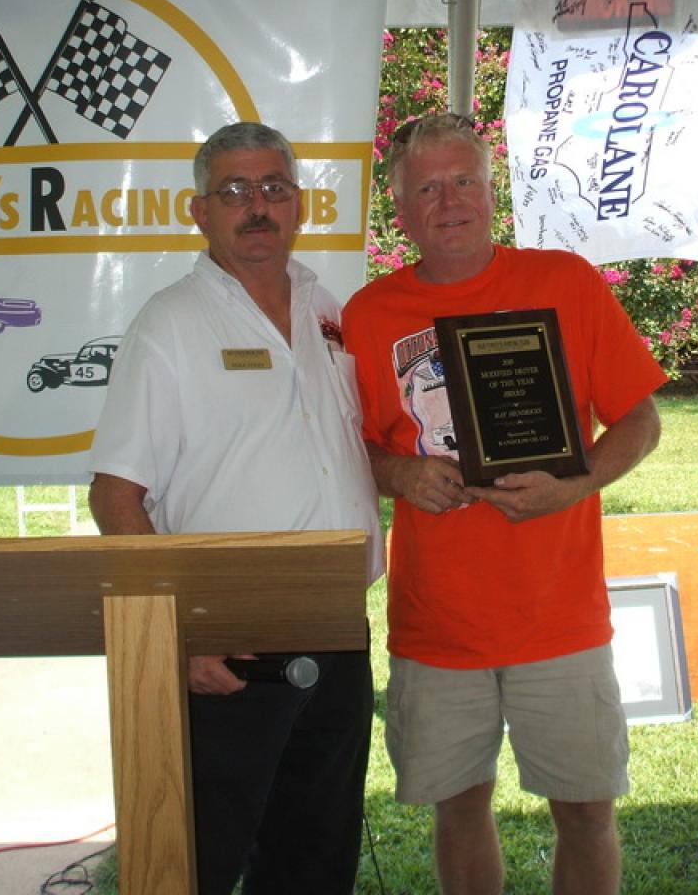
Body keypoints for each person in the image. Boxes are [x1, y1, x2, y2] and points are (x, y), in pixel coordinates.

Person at [341, 113, 666, 895]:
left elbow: (642, 421)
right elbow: (353, 448)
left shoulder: (565, 284)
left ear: (493, 193)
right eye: (427, 189)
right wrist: (402, 474)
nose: (449, 201)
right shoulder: (368, 315)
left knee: (585, 813)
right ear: (400, 209)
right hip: (438, 622)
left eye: (464, 181)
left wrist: (575, 484)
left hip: (559, 614)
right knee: (459, 811)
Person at [87, 122, 381, 895]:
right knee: (203, 863)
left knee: (316, 864)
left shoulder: (330, 312)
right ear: (200, 212)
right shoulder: (171, 324)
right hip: (228, 647)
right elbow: (115, 494)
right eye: (235, 191)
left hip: (339, 630)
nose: (258, 206)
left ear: (300, 205)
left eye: (274, 188)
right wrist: (179, 633)